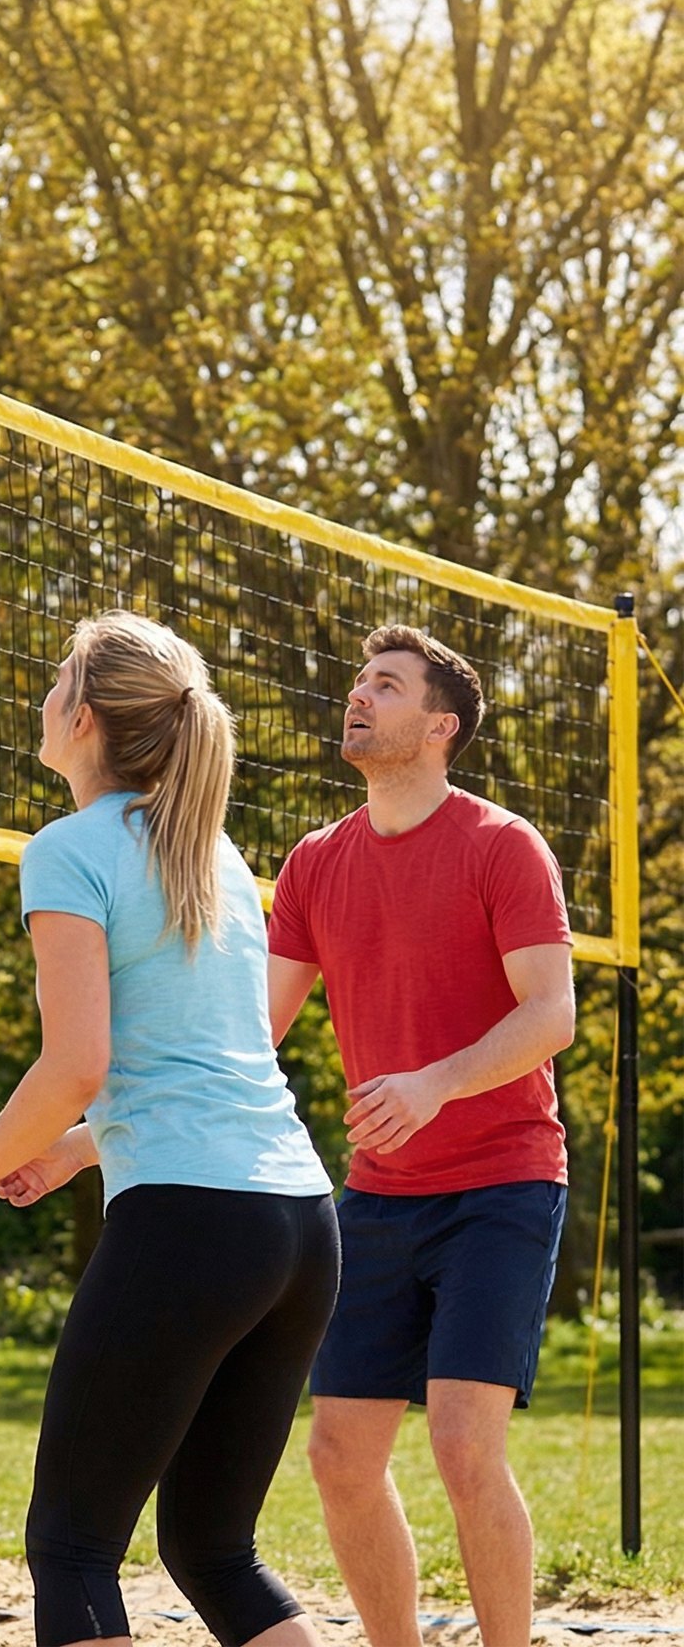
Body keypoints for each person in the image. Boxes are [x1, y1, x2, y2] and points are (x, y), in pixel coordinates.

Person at [0, 611, 338, 1647]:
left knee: (72, 1547)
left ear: (82, 716)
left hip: (192, 1225)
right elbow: (206, 1065)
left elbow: (75, 1063)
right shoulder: (213, 855)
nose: (41, 698)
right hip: (296, 1225)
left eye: (54, 682)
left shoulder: (68, 849)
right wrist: (73, 1148)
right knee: (214, 1553)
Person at [269, 627, 576, 1647]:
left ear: (438, 725)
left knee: (458, 1442)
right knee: (338, 1456)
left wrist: (435, 1083)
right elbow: (247, 1033)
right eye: (358, 680)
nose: (357, 694)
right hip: (378, 1191)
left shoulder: (500, 842)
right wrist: (95, 1125)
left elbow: (549, 1014)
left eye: (385, 684)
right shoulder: (313, 862)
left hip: (501, 1183)